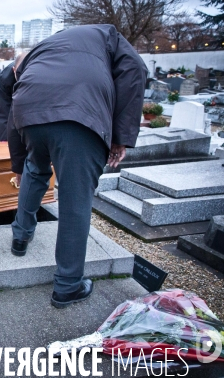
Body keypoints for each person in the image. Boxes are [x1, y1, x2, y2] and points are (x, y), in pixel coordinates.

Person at [8, 25, 147, 309]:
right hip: (79, 112)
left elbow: (21, 93)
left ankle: (20, 238)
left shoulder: (47, 45)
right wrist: (120, 138)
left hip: (30, 110)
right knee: (75, 199)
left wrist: (19, 161)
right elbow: (135, 70)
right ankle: (68, 286)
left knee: (35, 170)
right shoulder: (108, 34)